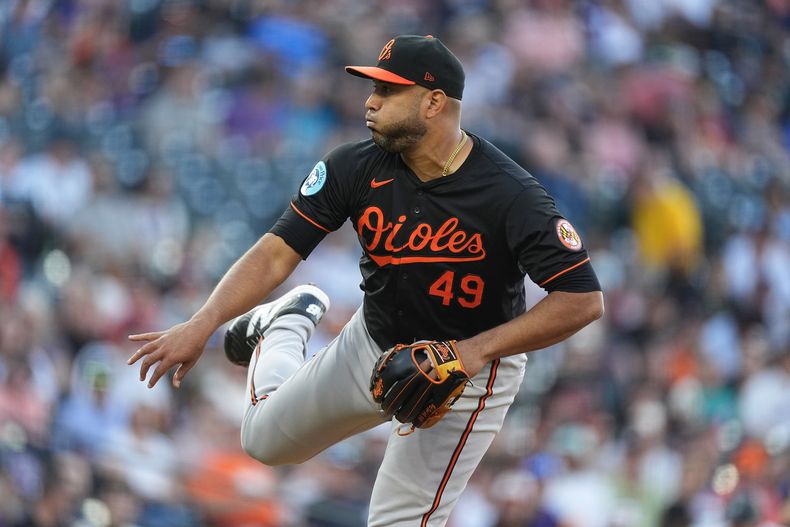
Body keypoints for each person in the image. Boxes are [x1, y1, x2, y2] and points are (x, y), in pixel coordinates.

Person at [128, 34, 604, 526]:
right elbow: (273, 254)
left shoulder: (511, 194)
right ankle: (287, 321)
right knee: (262, 441)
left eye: (387, 91)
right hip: (372, 337)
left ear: (433, 103)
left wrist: (472, 352)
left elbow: (583, 299)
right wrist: (203, 321)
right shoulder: (354, 166)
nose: (370, 103)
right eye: (373, 88)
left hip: (467, 370)